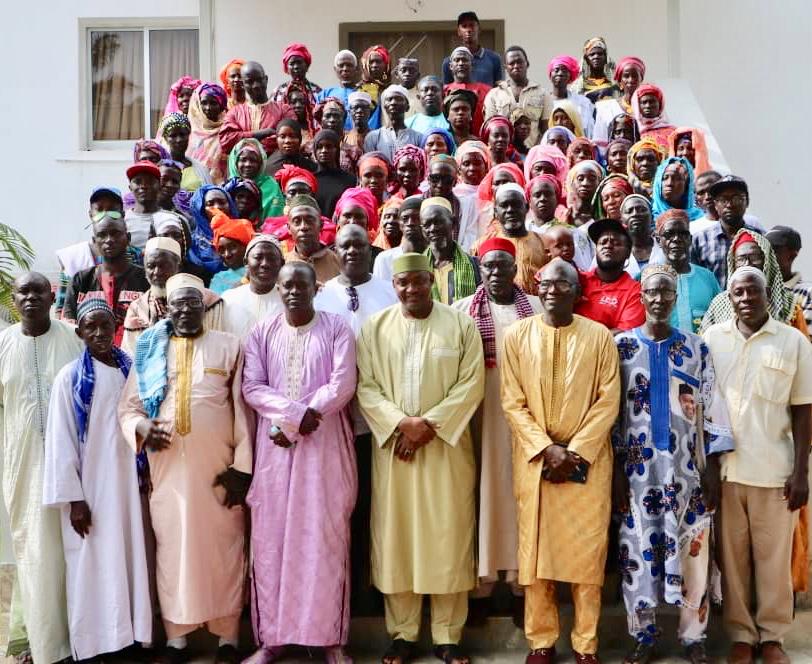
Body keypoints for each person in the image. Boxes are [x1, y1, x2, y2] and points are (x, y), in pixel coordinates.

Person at [356, 251, 485, 664]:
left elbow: (471, 383)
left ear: (432, 280)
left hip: (446, 452)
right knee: (398, 540)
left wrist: (427, 426)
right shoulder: (375, 328)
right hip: (396, 452)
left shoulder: (460, 324)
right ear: (393, 286)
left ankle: (448, 636)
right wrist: (400, 425)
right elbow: (366, 386)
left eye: (418, 280)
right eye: (402, 282)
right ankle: (403, 634)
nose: (411, 289)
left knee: (448, 537)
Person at [118, 273, 252, 664]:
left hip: (219, 472)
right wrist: (141, 427)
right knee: (173, 552)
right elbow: (129, 409)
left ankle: (227, 637)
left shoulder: (229, 347)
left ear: (204, 308)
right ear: (169, 309)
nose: (186, 310)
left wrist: (242, 469)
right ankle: (177, 639)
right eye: (179, 305)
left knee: (226, 549)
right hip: (168, 473)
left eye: (193, 304)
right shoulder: (149, 351)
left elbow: (243, 413)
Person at [501, 257, 621, 664]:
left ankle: (586, 644)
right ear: (537, 288)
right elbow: (512, 402)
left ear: (577, 291)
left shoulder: (600, 337)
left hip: (587, 461)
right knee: (537, 558)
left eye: (563, 284)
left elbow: (608, 400)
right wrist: (546, 448)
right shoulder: (517, 336)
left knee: (587, 557)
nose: (553, 291)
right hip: (536, 461)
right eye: (547, 284)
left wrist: (575, 451)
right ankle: (541, 641)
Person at [613, 264, 733, 664]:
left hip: (687, 472)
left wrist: (712, 470)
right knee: (636, 554)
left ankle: (693, 636)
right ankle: (644, 634)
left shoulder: (696, 348)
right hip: (637, 476)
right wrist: (614, 471)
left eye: (667, 292)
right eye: (652, 292)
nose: (660, 299)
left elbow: (712, 411)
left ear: (673, 297)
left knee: (694, 553)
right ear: (642, 296)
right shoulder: (621, 348)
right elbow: (611, 415)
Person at [240, 261, 356, 664]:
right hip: (275, 452)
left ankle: (329, 639)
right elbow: (252, 385)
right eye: (286, 285)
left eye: (301, 285)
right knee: (272, 541)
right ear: (278, 289)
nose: (293, 291)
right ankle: (272, 639)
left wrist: (302, 416)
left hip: (323, 449)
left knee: (324, 539)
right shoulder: (262, 332)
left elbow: (342, 383)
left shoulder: (337, 328)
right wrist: (293, 416)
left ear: (315, 288)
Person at [703, 267, 812, 664]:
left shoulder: (793, 341)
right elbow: (704, 410)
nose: (746, 298)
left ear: (767, 295)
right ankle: (741, 636)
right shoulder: (713, 339)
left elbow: (803, 411)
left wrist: (801, 472)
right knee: (732, 562)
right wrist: (709, 470)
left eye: (753, 291)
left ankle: (773, 637)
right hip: (729, 473)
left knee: (773, 560)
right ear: (728, 298)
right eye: (738, 292)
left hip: (775, 472)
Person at [43, 299, 152, 661]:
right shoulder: (70, 378)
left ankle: (129, 638)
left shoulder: (130, 369)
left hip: (127, 489)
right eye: (91, 327)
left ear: (116, 326)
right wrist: (73, 499)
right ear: (80, 333)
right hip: (89, 492)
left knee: (130, 559)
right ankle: (95, 644)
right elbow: (61, 442)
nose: (100, 334)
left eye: (106, 326)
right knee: (92, 565)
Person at [453, 238, 541, 625]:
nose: (495, 273)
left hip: (528, 416)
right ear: (480, 270)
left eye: (503, 266)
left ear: (514, 269)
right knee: (484, 496)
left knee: (522, 497)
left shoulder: (536, 309)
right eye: (488, 266)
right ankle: (483, 587)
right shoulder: (461, 312)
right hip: (481, 416)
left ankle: (523, 587)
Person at [0, 273, 80, 664]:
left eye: (38, 291)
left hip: (69, 465)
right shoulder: (2, 344)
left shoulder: (72, 339)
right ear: (13, 299)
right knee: (33, 551)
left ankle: (76, 638)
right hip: (23, 465)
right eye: (23, 292)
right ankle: (42, 643)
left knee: (70, 552)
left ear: (52, 297)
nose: (31, 298)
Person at [122, 236, 223, 354]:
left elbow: (218, 347)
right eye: (151, 266)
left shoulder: (208, 300)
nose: (157, 272)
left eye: (163, 265)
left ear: (178, 266)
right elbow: (131, 355)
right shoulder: (138, 307)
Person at [62, 213, 149, 345]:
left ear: (128, 238)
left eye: (115, 233)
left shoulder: (146, 279)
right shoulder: (80, 280)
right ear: (94, 241)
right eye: (102, 235)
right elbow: (69, 327)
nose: (109, 240)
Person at [700, 229, 809, 335]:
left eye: (754, 257)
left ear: (766, 260)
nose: (747, 263)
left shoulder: (788, 304)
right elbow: (703, 346)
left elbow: (802, 347)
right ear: (733, 263)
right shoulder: (719, 303)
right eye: (741, 259)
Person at [56, 187, 128, 318]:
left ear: (122, 214)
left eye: (112, 210)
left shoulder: (135, 254)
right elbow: (61, 307)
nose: (105, 214)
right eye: (99, 209)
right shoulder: (73, 256)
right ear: (91, 214)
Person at [653, 209, 720, 333]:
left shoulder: (707, 278)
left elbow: (721, 320)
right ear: (658, 240)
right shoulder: (646, 279)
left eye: (682, 234)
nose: (677, 239)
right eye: (669, 234)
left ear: (689, 239)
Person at [473, 183, 547, 293]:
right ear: (496, 212)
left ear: (526, 208)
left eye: (516, 204)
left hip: (535, 307)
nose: (510, 210)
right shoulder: (481, 245)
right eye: (504, 205)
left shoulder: (544, 242)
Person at [575, 218, 646, 331]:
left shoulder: (635, 293)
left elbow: (623, 336)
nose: (607, 246)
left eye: (616, 243)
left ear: (628, 253)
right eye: (602, 242)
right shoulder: (579, 279)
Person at [690, 175, 761, 288]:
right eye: (723, 200)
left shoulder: (759, 238)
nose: (729, 205)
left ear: (747, 202)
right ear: (716, 205)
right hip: (713, 304)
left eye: (736, 198)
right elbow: (695, 281)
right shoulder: (700, 240)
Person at [219, 61, 296, 156]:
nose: (256, 85)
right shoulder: (235, 112)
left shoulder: (284, 110)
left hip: (274, 168)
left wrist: (242, 138)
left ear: (266, 80)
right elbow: (226, 140)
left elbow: (290, 139)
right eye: (249, 82)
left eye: (259, 80)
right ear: (242, 83)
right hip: (244, 167)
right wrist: (263, 133)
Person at [221, 234, 284, 339]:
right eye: (258, 257)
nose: (264, 264)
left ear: (282, 263)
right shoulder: (228, 299)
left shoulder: (289, 301)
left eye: (271, 258)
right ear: (246, 262)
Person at [484, 46, 550, 146]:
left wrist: (536, 151)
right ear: (506, 67)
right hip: (503, 154)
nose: (516, 66)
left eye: (519, 62)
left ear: (527, 64)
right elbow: (490, 128)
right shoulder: (494, 95)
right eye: (511, 63)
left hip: (532, 154)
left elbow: (546, 129)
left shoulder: (542, 94)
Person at [422, 197, 480, 305]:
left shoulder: (475, 266)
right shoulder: (418, 268)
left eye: (438, 222)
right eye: (427, 225)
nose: (433, 229)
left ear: (453, 223)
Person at [426, 154, 480, 251]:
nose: (440, 185)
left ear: (455, 182)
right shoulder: (416, 203)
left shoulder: (466, 206)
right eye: (435, 178)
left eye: (447, 180)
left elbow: (469, 240)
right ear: (428, 179)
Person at [593, 57, 646, 152]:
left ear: (641, 79)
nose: (631, 80)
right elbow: (599, 144)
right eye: (626, 76)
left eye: (635, 76)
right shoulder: (606, 108)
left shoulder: (649, 107)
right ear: (620, 81)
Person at [285, 194, 341, 282]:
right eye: (297, 221)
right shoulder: (282, 265)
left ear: (321, 225)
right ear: (288, 228)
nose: (303, 227)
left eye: (310, 221)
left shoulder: (339, 263)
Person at [767, 225, 812, 335]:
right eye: (764, 249)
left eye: (774, 250)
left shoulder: (807, 292)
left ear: (792, 255)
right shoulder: (755, 290)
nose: (767, 255)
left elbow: (806, 337)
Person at [226, 138, 285, 219]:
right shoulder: (227, 188)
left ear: (261, 164)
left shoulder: (271, 187)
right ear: (235, 162)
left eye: (253, 160)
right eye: (243, 160)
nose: (248, 164)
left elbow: (275, 222)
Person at [373, 195, 427, 282]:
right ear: (399, 223)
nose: (410, 223)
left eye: (417, 218)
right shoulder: (385, 259)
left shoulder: (435, 257)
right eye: (405, 218)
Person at [363, 85, 423, 162]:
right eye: (389, 99)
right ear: (384, 106)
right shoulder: (372, 137)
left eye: (398, 99)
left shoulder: (418, 138)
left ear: (407, 107)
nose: (393, 103)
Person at [442, 11, 503, 86]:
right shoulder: (449, 62)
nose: (468, 30)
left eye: (472, 25)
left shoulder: (494, 58)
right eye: (464, 26)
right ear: (459, 32)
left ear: (479, 29)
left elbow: (499, 89)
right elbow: (447, 91)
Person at [160, 112, 212, 193]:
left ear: (188, 136)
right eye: (173, 136)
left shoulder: (200, 168)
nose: (179, 140)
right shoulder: (160, 168)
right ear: (166, 139)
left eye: (182, 134)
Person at [443, 47, 491, 135]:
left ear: (472, 65)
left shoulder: (487, 91)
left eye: (464, 60)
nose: (461, 63)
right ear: (450, 66)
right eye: (457, 60)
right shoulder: (443, 91)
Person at [188, 82, 228, 184]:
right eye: (204, 103)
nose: (208, 108)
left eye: (213, 103)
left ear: (222, 105)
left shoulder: (228, 131)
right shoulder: (189, 131)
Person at [311, 129, 356, 217]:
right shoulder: (310, 180)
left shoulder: (350, 180)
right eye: (319, 147)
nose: (324, 150)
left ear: (337, 150)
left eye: (329, 146)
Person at [546, 55, 595, 137]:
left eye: (564, 70)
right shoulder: (544, 102)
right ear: (550, 75)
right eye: (556, 70)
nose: (560, 73)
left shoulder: (583, 102)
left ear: (570, 76)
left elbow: (589, 131)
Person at [618, 193, 666, 278]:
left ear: (651, 216)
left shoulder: (665, 247)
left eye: (642, 210)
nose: (635, 214)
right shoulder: (614, 250)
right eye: (629, 211)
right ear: (621, 220)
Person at [312, 97, 362, 175]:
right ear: (320, 120)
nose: (332, 120)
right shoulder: (309, 149)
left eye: (336, 116)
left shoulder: (354, 152)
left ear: (344, 119)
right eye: (328, 116)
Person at [209, 213, 254, 294]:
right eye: (221, 250)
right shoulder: (219, 279)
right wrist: (245, 280)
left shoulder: (262, 271)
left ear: (247, 246)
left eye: (232, 247)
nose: (227, 254)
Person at [651, 156, 704, 222]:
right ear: (658, 183)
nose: (669, 183)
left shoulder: (700, 218)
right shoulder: (648, 217)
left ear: (687, 185)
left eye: (677, 178)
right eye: (665, 178)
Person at [125, 160, 164, 249]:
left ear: (159, 186)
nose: (143, 186)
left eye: (150, 181)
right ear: (130, 187)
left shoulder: (171, 219)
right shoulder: (122, 221)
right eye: (138, 182)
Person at [317, 50, 359, 129]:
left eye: (349, 65)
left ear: (356, 69)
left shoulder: (363, 94)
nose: (345, 69)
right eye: (341, 65)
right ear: (335, 69)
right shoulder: (325, 94)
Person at [271, 42, 322, 106]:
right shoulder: (278, 91)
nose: (296, 67)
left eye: (299, 62)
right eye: (292, 63)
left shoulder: (317, 91)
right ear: (287, 68)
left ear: (307, 66)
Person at [572, 37, 617, 103]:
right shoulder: (578, 86)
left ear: (605, 58)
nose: (596, 57)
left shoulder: (614, 84)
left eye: (600, 54)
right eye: (592, 54)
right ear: (586, 60)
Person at [632, 84, 675, 149]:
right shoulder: (632, 131)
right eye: (644, 102)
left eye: (652, 102)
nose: (648, 106)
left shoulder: (673, 132)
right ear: (638, 105)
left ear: (660, 104)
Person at [358, 44, 391, 127]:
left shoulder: (392, 90)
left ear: (386, 65)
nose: (374, 65)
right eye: (371, 62)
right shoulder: (359, 90)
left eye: (378, 62)